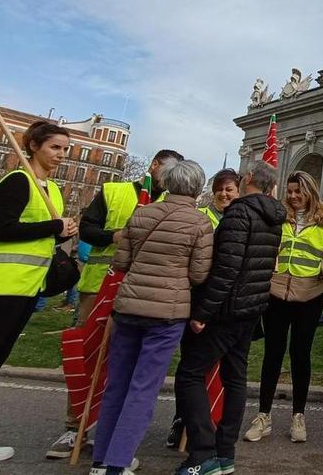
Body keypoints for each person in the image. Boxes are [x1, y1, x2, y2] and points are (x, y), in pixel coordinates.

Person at [47, 149, 183, 459]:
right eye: (170, 169)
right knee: (88, 356)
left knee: (127, 363)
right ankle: (73, 427)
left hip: (140, 293)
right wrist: (115, 236)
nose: (172, 177)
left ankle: (117, 434)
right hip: (98, 288)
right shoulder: (115, 191)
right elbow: (87, 229)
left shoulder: (170, 204)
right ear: (155, 165)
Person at [91, 161, 213, 475]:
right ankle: (118, 462)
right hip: (167, 313)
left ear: (169, 184)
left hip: (129, 306)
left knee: (116, 383)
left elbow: (121, 261)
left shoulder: (142, 213)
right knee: (143, 388)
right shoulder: (200, 223)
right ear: (197, 188)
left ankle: (100, 458)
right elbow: (199, 274)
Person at [174, 162, 286, 475]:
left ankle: (203, 453)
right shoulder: (273, 217)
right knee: (235, 377)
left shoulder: (239, 212)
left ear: (248, 179)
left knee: (190, 372)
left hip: (227, 309)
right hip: (251, 309)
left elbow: (226, 268)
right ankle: (225, 453)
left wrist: (203, 312)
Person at [0, 122, 75, 475]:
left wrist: (60, 230)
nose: (61, 155)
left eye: (65, 149)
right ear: (33, 146)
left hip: (24, 287)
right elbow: (3, 229)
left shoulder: (51, 189)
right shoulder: (18, 181)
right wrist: (54, 227)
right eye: (55, 148)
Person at [243, 171, 323, 444]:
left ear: (309, 191)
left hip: (310, 295)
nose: (294, 196)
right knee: (272, 354)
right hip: (277, 293)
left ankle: (298, 415)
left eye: (299, 191)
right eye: (290, 191)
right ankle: (263, 415)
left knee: (300, 355)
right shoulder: (277, 214)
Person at [165, 168, 241, 448]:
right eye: (220, 189)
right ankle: (182, 420)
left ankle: (212, 422)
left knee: (221, 370)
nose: (224, 194)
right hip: (197, 299)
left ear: (238, 192)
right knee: (191, 365)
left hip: (225, 305)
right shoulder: (201, 217)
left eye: (229, 189)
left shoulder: (242, 219)